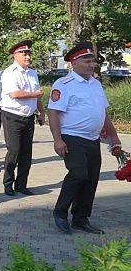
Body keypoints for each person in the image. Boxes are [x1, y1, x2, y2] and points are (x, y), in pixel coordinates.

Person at [48, 42, 121, 234]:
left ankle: (81, 218)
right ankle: (60, 212)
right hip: (72, 137)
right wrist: (57, 139)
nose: (91, 65)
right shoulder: (63, 85)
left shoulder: (96, 84)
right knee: (78, 173)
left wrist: (113, 138)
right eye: (87, 61)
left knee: (91, 178)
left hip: (92, 138)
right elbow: (53, 113)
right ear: (74, 62)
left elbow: (103, 114)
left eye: (93, 62)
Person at [0, 40, 45, 196]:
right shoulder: (10, 73)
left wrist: (41, 112)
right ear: (15, 55)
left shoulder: (32, 73)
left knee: (27, 152)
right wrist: (36, 94)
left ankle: (21, 184)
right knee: (14, 150)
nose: (27, 56)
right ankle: (8, 183)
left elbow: (38, 95)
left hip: (28, 116)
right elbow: (15, 94)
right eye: (24, 53)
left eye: (28, 53)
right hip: (12, 115)